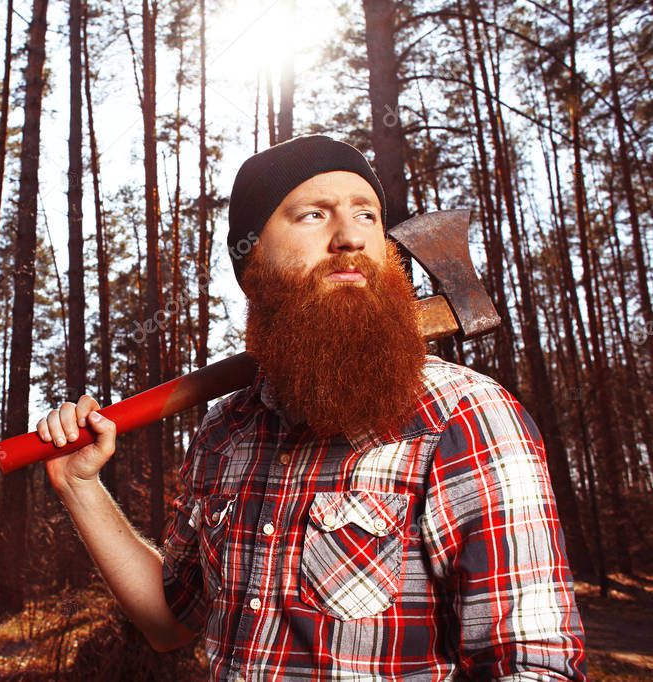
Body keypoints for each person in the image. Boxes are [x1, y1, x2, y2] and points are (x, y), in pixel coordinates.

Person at [37, 134, 587, 680]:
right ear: (251, 259)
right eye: (313, 215)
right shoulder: (224, 430)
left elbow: (536, 666)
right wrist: (79, 488)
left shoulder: (464, 416)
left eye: (367, 215)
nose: (350, 236)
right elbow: (170, 624)